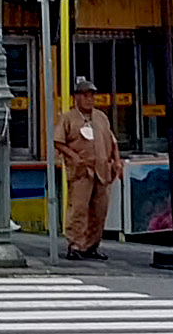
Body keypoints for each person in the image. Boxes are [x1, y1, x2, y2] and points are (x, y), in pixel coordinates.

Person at [52, 84, 123, 258]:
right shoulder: (68, 118)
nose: (90, 99)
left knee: (100, 210)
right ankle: (75, 245)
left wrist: (117, 161)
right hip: (81, 171)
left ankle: (92, 245)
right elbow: (58, 142)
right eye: (85, 95)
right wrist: (73, 156)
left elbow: (113, 141)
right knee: (79, 208)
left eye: (92, 95)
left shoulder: (101, 117)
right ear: (76, 97)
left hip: (102, 169)